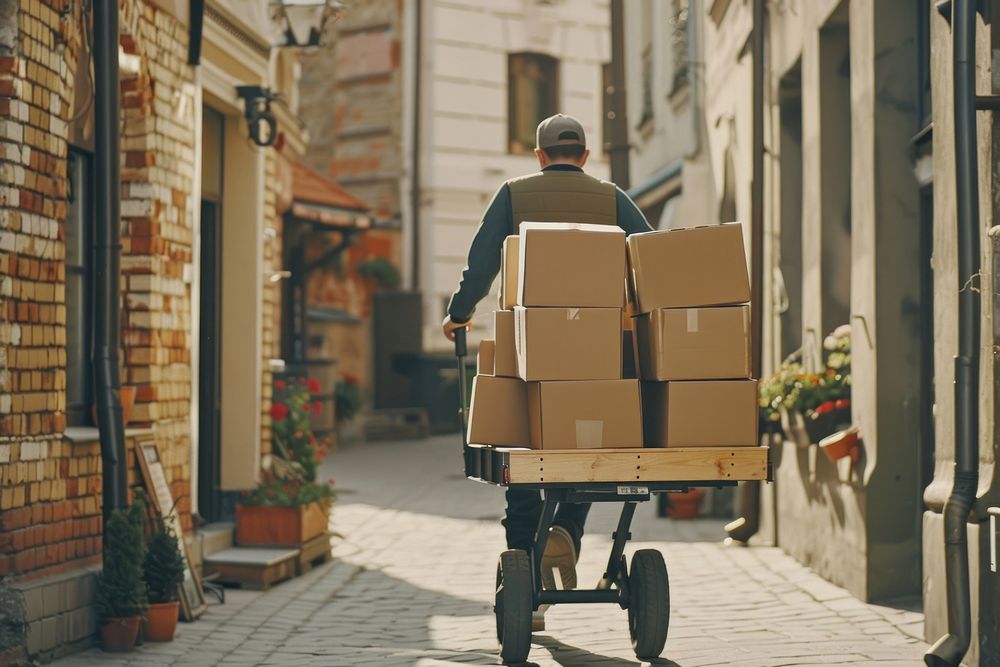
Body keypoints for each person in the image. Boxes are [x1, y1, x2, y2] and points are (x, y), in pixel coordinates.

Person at [442, 113, 651, 626]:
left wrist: (459, 312)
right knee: (584, 450)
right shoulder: (611, 197)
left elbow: (482, 262)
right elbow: (652, 254)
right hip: (601, 356)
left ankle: (526, 572)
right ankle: (569, 532)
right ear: (583, 154)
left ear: (540, 156)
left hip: (529, 352)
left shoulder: (514, 194)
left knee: (526, 454)